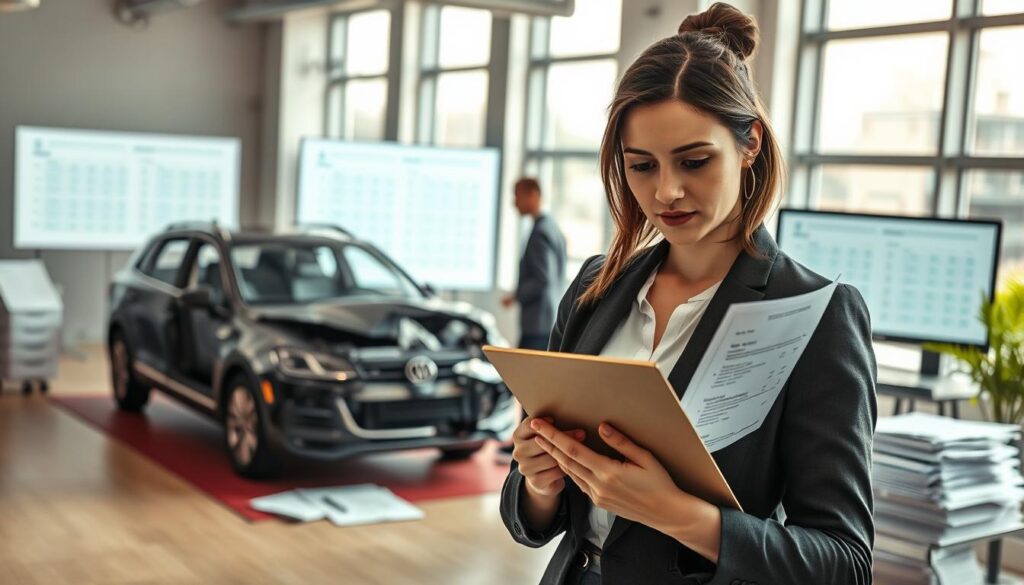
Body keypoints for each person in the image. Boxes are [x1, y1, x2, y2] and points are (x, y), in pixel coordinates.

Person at [499, 4, 877, 585]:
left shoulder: (815, 314)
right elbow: (534, 519)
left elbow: (844, 564)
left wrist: (681, 517)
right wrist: (540, 481)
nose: (666, 191)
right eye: (641, 166)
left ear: (749, 142)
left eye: (694, 161)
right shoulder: (596, 289)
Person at [502, 177, 568, 351]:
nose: (514, 203)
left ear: (533, 195)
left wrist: (517, 295)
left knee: (521, 375)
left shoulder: (541, 232)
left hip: (538, 324)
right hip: (546, 320)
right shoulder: (551, 226)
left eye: (517, 196)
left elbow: (543, 279)